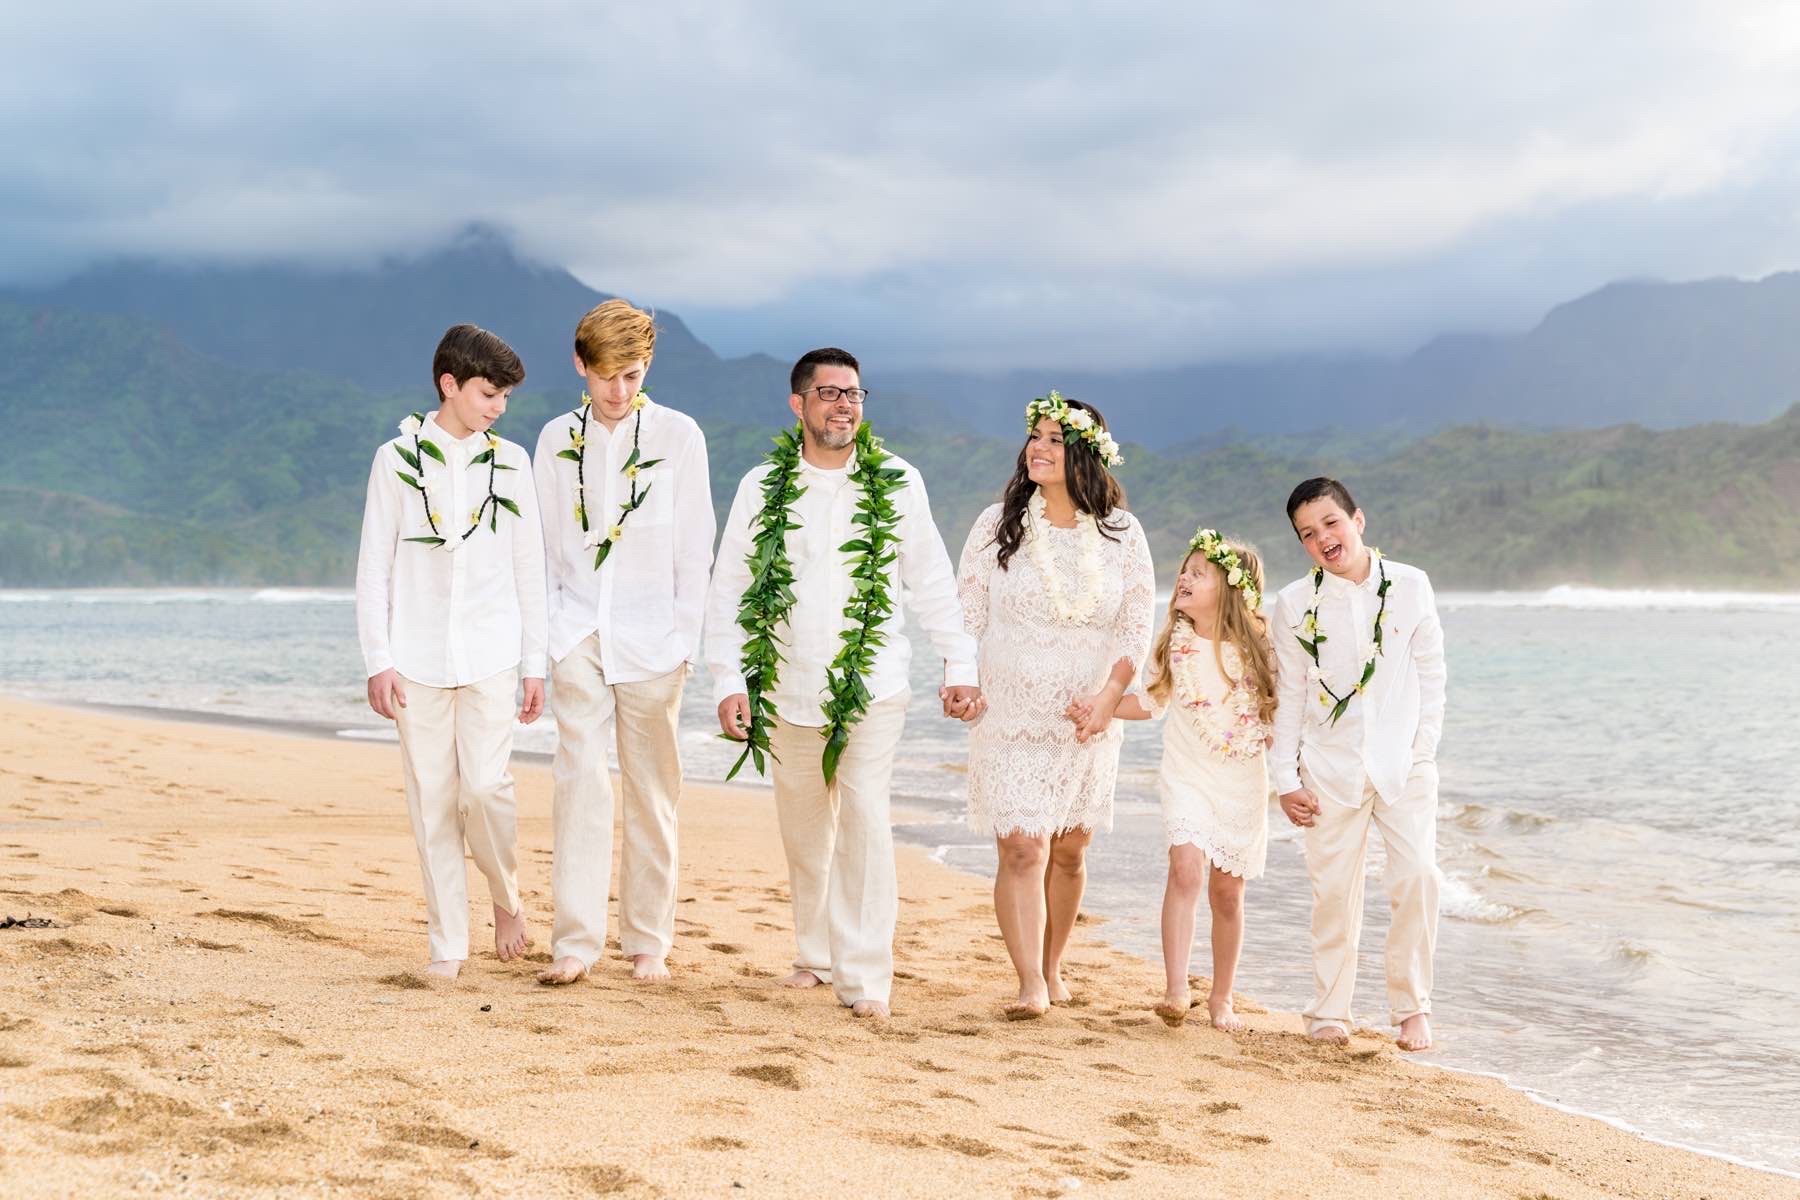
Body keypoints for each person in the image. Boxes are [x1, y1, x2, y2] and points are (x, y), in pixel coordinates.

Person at [705, 347, 980, 1019]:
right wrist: (727, 678)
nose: (844, 405)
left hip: (875, 685)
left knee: (863, 817)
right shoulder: (762, 485)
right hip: (789, 686)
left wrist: (961, 664)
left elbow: (932, 581)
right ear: (799, 405)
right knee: (804, 829)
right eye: (829, 394)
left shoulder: (897, 481)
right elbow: (729, 589)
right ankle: (814, 953)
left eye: (854, 394)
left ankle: (865, 978)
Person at [354, 323, 547, 979]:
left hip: (493, 653)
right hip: (416, 660)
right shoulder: (395, 459)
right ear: (450, 384)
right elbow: (373, 568)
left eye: (504, 398)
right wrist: (377, 659)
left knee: (486, 792)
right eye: (489, 393)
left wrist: (534, 664)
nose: (498, 407)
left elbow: (530, 570)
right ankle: (447, 946)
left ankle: (507, 898)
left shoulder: (513, 463)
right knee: (432, 803)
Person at [956, 391, 1155, 1019]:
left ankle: (1052, 963)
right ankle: (1029, 984)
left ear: (1086, 455)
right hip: (1010, 711)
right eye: (1034, 437)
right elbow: (966, 613)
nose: (1038, 448)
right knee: (1023, 848)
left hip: (1085, 718)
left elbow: (1134, 625)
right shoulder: (998, 524)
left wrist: (1108, 698)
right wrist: (961, 679)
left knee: (1068, 851)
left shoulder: (1121, 534)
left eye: (1053, 438)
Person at [532, 299, 715, 986]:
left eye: (632, 376)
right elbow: (545, 546)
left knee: (653, 791)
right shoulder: (555, 439)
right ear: (581, 366)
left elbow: (696, 545)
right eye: (607, 376)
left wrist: (682, 641)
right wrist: (547, 636)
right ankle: (575, 943)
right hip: (575, 628)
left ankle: (647, 943)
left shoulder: (679, 436)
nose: (618, 391)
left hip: (653, 640)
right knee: (578, 784)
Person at [1270, 477, 1446, 1051]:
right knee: (1334, 892)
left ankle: (1412, 1007)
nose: (1323, 539)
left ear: (1358, 520)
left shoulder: (1412, 586)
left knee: (1418, 876)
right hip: (1329, 768)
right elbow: (1289, 694)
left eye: (1331, 524)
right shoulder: (1295, 604)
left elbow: (1432, 676)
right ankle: (1329, 1011)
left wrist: (1422, 754)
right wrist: (1285, 779)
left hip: (1405, 765)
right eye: (1307, 534)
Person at [1087, 529, 1277, 1031]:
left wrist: (1297, 775)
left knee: (1228, 894)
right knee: (1185, 869)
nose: (1184, 579)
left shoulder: (1262, 648)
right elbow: (1149, 702)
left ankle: (1222, 998)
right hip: (1187, 774)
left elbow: (1277, 718)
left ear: (1229, 590)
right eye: (1184, 571)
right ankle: (1175, 988)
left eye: (1198, 573)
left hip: (1241, 779)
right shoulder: (1174, 643)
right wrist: (1100, 708)